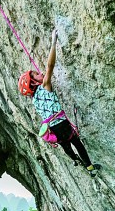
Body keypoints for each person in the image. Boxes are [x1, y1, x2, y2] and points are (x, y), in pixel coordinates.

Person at [18, 29, 100, 177]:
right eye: (35, 75)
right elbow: (50, 66)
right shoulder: (45, 86)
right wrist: (53, 42)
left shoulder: (35, 100)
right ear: (34, 83)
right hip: (61, 124)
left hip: (52, 129)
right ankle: (90, 168)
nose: (39, 73)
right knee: (77, 143)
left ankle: (74, 160)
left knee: (66, 145)